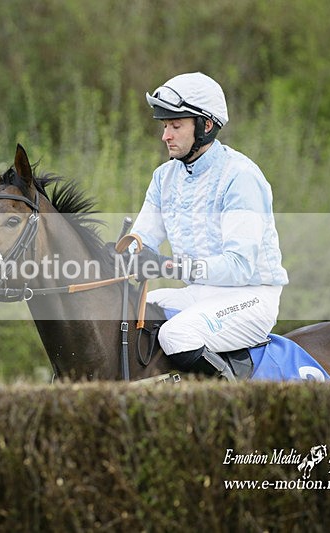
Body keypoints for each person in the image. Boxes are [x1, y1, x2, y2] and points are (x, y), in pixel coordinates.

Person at [117, 72, 289, 380]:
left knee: (176, 335)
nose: (165, 136)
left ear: (206, 126)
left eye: (175, 126)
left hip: (252, 297)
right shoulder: (164, 177)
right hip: (200, 293)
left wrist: (167, 267)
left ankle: (235, 401)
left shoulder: (241, 177)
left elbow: (239, 266)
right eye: (165, 126)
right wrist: (124, 252)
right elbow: (143, 240)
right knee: (123, 312)